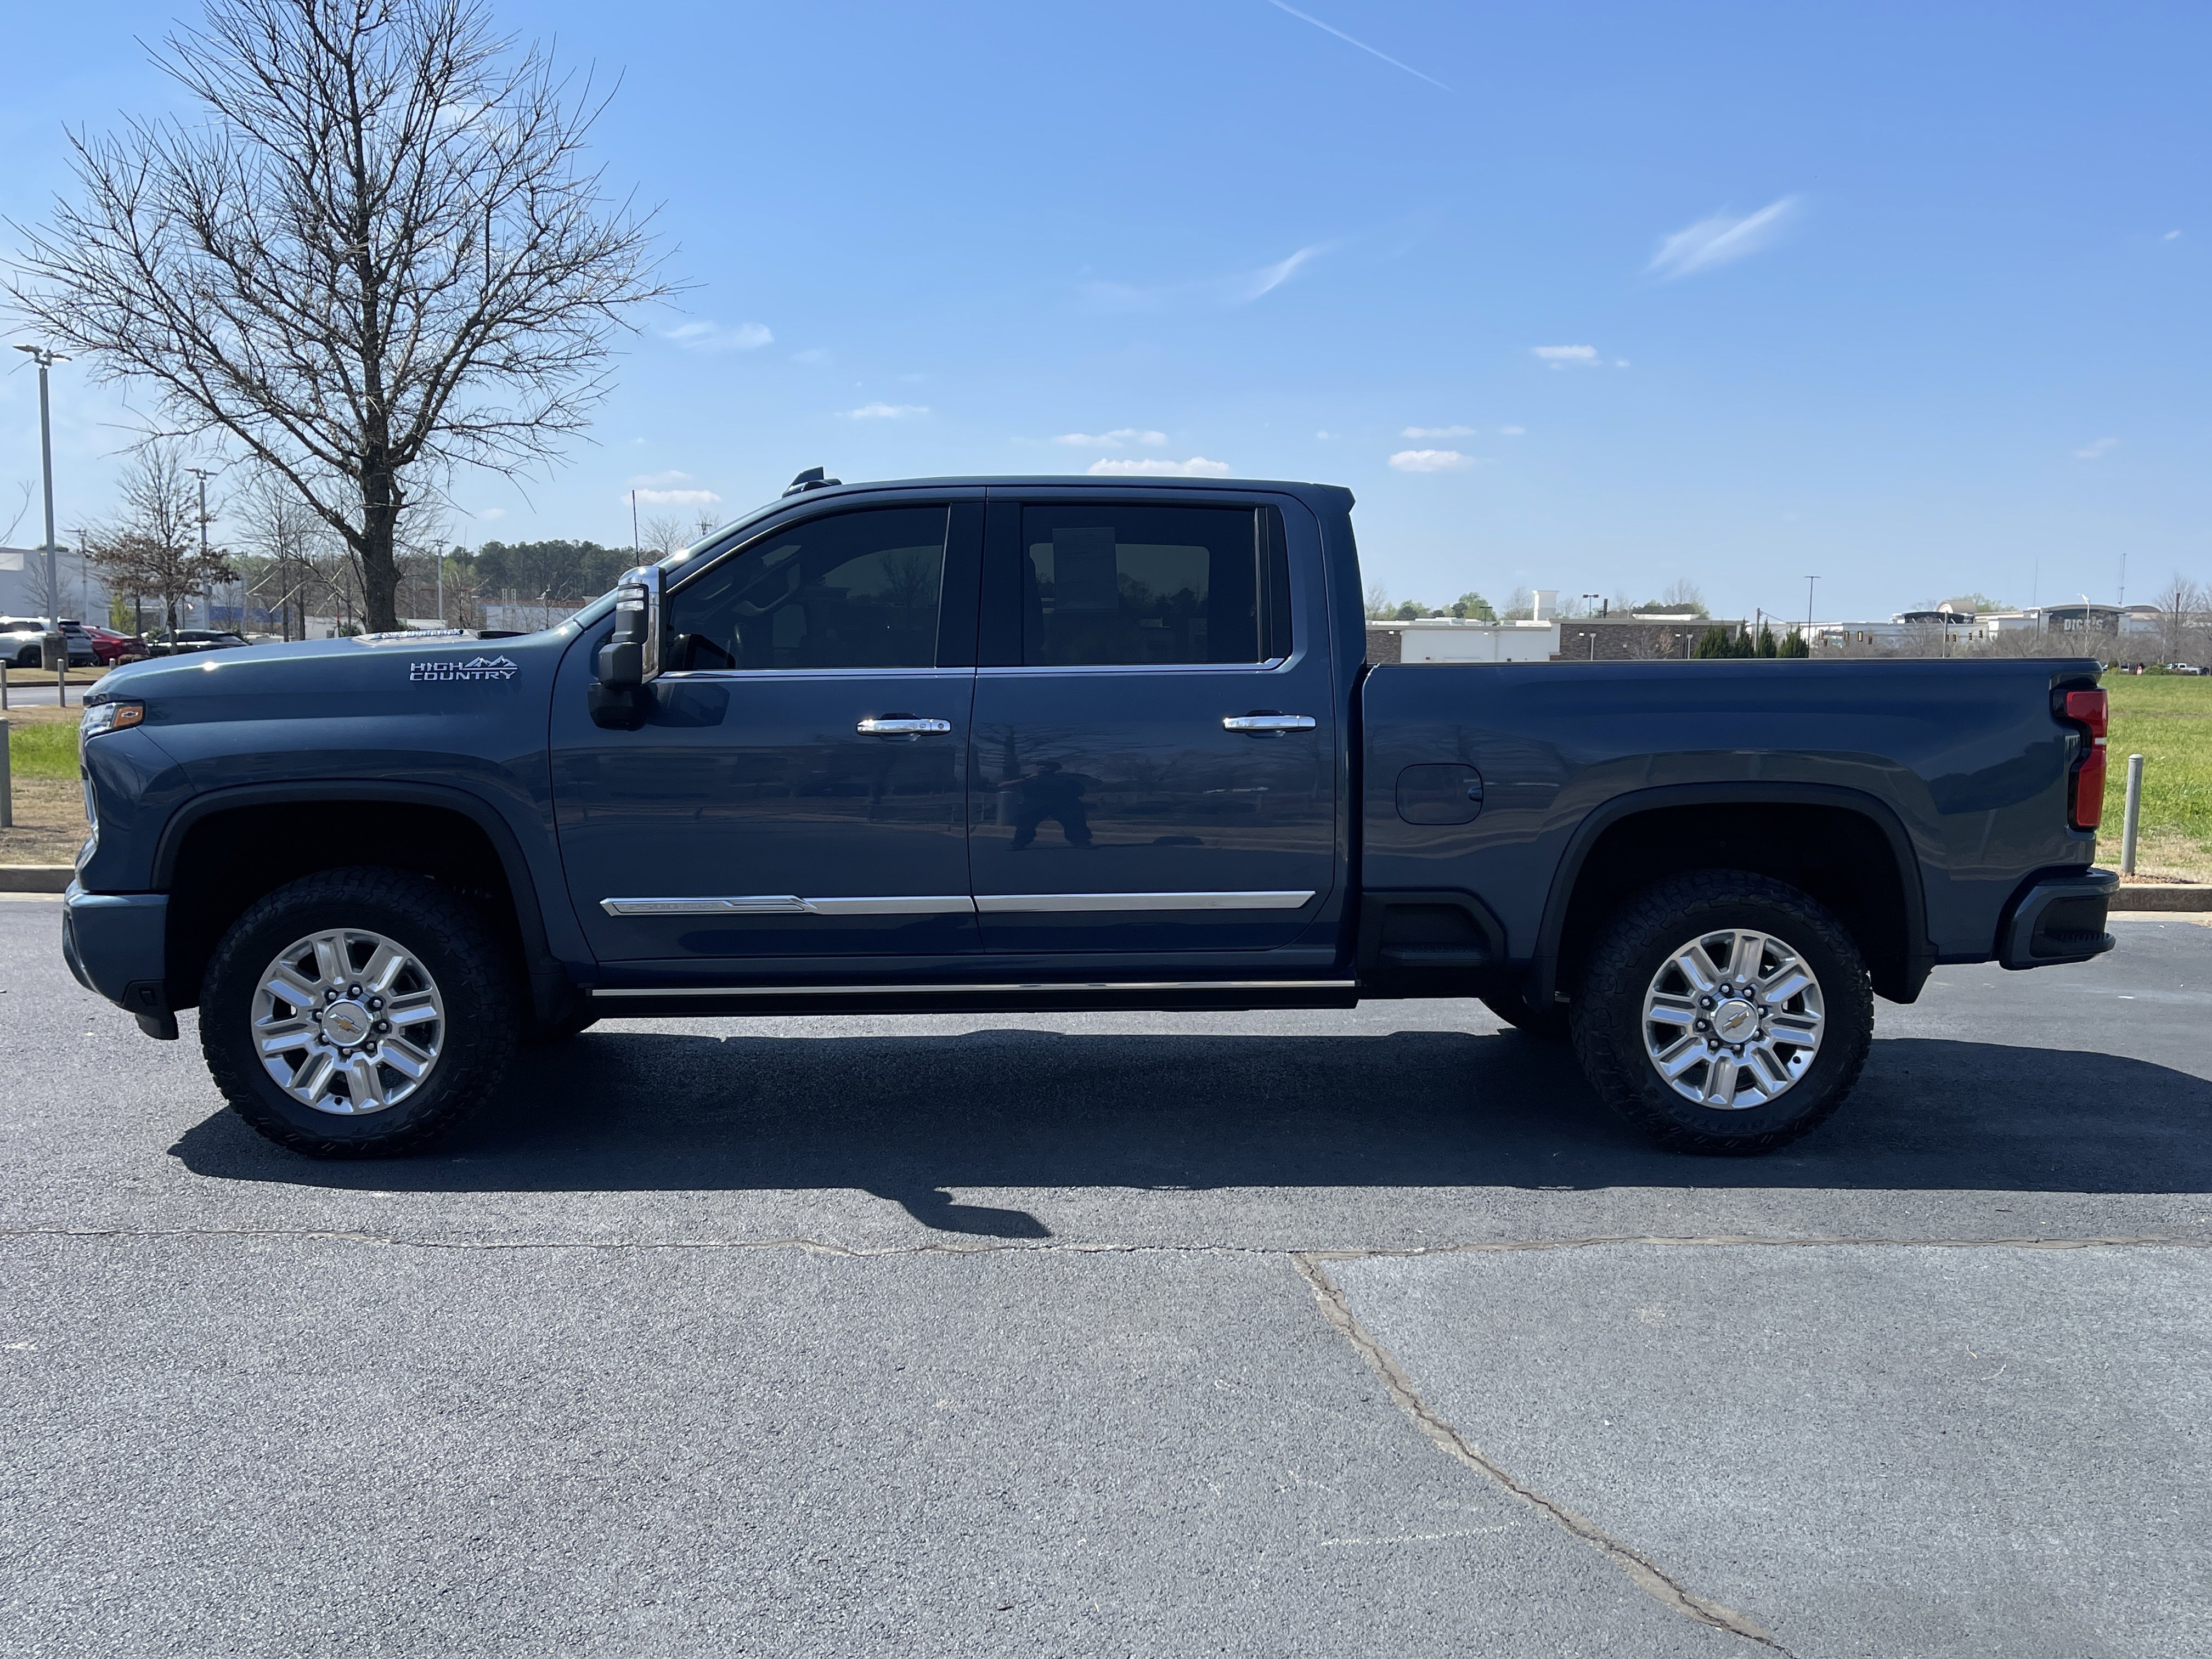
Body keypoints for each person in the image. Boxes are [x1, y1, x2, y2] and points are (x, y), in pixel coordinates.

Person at [997, 759, 1096, 849]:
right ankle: (1019, 843)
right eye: (1039, 765)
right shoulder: (1028, 778)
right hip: (1037, 804)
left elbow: (1081, 790)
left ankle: (1081, 841)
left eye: (1044, 766)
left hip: (1062, 804)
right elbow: (1002, 785)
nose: (1041, 767)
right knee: (1026, 823)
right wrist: (1026, 780)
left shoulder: (1066, 778)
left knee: (1074, 821)